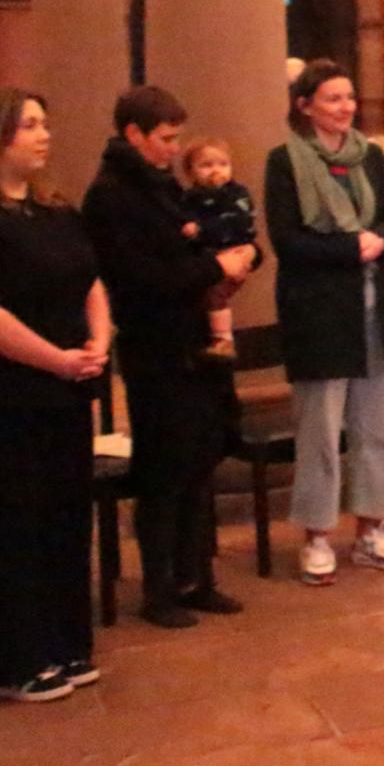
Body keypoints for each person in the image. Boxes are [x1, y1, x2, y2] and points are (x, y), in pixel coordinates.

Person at [0, 88, 109, 700]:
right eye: (29, 125)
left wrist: (97, 341)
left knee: (65, 511)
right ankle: (13, 661)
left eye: (44, 122)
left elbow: (90, 281)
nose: (44, 134)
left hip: (64, 384)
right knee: (15, 515)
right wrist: (56, 359)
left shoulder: (54, 211)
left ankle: (66, 644)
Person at [83, 87, 257, 629]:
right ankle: (159, 590)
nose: (171, 148)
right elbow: (141, 279)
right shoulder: (111, 196)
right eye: (165, 139)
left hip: (193, 343)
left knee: (200, 461)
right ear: (134, 134)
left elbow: (200, 248)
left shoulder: (161, 187)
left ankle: (196, 576)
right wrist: (214, 269)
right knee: (165, 469)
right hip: (157, 349)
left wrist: (237, 259)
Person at [266, 59, 384, 586]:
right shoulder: (284, 161)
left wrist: (383, 240)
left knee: (381, 428)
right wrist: (349, 247)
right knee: (322, 434)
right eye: (333, 98)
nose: (346, 107)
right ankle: (317, 536)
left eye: (349, 97)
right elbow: (287, 240)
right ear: (305, 106)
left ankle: (372, 528)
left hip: (377, 310)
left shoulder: (371, 156)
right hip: (321, 313)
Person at [178, 137, 257, 360]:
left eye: (223, 164)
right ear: (191, 172)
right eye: (206, 165)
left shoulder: (236, 193)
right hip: (208, 255)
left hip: (234, 248)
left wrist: (200, 230)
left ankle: (223, 339)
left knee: (216, 294)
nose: (216, 171)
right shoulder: (189, 197)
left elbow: (238, 221)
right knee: (207, 296)